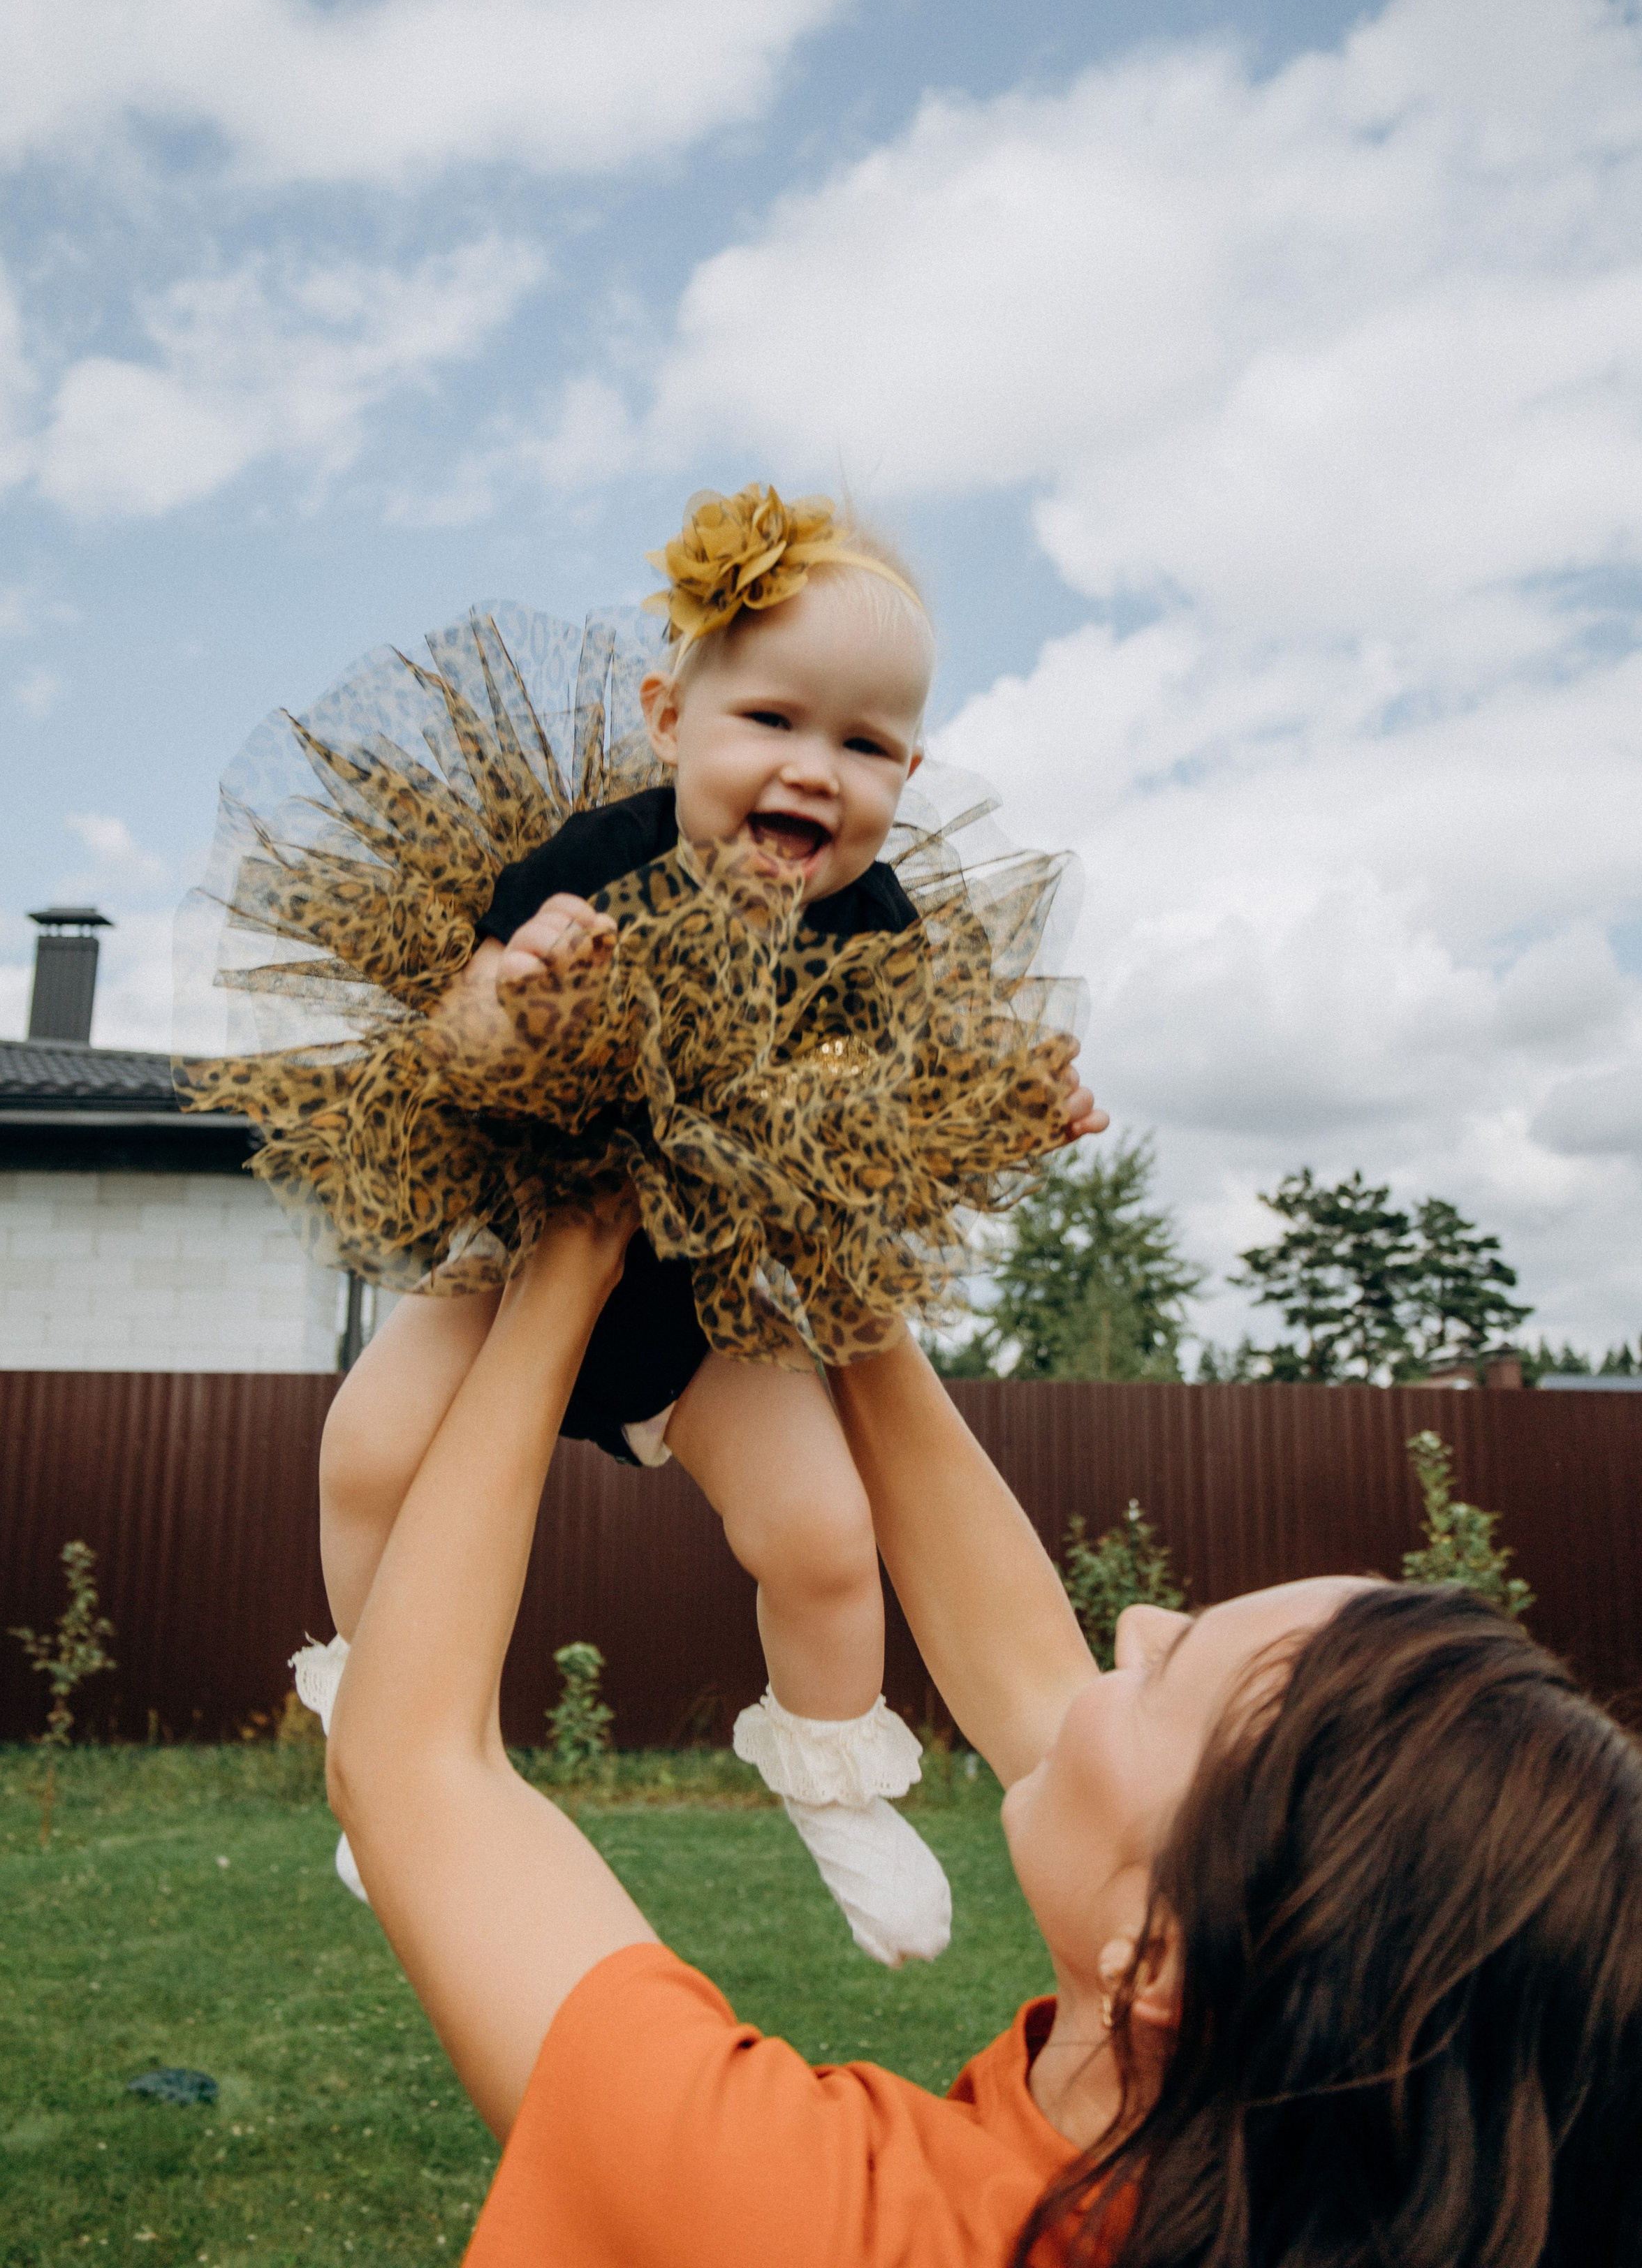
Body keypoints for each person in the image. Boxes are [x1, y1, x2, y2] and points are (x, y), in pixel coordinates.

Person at [327, 1193, 1642, 2268]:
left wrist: (568, 1261)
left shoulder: (810, 2225)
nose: (1132, 1622)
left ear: (1157, 1957)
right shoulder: (1265, 2174)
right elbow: (1035, 1685)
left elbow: (415, 1768)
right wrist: (839, 1223)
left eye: (1169, 1670)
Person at [182, 485, 1085, 1961]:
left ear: (907, 774)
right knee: (364, 1452)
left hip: (703, 1312)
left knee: (822, 1535)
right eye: (771, 721)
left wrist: (1013, 1096)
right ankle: (386, 1741)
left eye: (864, 746)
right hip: (519, 1265)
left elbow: (920, 1085)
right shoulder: (591, 863)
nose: (814, 769)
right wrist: (516, 990)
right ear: (671, 722)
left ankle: (834, 1777)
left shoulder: (874, 929)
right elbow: (452, 1051)